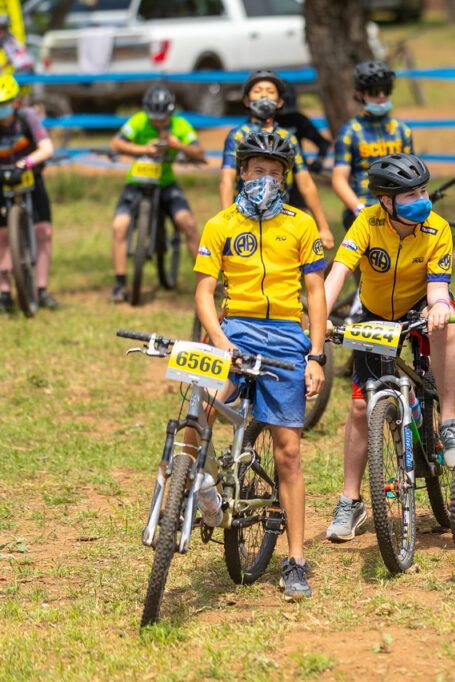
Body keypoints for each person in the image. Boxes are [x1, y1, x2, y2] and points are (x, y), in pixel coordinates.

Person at [193, 130, 327, 601]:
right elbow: (205, 293)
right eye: (256, 170)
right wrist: (219, 341)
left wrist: (315, 355)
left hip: (289, 338)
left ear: (285, 178)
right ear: (242, 172)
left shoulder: (302, 225)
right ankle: (202, 489)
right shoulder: (220, 224)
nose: (264, 179)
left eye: (274, 172)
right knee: (200, 407)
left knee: (288, 451)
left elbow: (315, 293)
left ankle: (294, 559)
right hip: (236, 331)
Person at [323, 153, 455, 542]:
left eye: (423, 190)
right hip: (375, 314)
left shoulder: (437, 228)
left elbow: (438, 288)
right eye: (410, 194)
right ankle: (351, 502)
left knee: (445, 324)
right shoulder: (366, 222)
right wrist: (319, 313)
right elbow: (338, 273)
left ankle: (449, 419)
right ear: (387, 201)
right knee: (357, 406)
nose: (422, 199)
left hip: (421, 307)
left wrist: (437, 307)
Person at [107, 84, 204, 303]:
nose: (159, 122)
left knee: (187, 223)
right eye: (154, 118)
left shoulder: (180, 125)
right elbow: (116, 142)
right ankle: (120, 284)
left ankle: (206, 282)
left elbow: (198, 151)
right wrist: (144, 150)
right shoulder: (139, 120)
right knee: (119, 226)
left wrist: (179, 146)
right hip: (137, 182)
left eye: (163, 118)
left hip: (167, 183)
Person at [220, 69, 334, 249]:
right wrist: (225, 221)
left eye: (270, 91)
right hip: (243, 216)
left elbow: (305, 183)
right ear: (246, 100)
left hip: (281, 215)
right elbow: (226, 181)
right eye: (257, 91)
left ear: (280, 102)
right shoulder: (237, 135)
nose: (264, 95)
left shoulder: (288, 137)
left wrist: (323, 226)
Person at [331, 61, 414, 230]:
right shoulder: (349, 132)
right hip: (362, 207)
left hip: (399, 209)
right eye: (375, 91)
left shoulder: (402, 130)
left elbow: (412, 174)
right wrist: (358, 209)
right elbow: (339, 179)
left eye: (386, 89)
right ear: (360, 94)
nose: (382, 95)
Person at [0, 74, 56, 312]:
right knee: (3, 235)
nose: (2, 109)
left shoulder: (27, 117)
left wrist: (27, 163)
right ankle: (4, 293)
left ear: (16, 101)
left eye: (5, 103)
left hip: (30, 178)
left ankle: (41, 290)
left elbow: (47, 147)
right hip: (2, 180)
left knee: (43, 231)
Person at [277, 81, 331, 177]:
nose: (284, 115)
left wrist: (319, 160)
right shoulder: (264, 121)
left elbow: (323, 143)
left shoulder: (298, 119)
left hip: (297, 172)